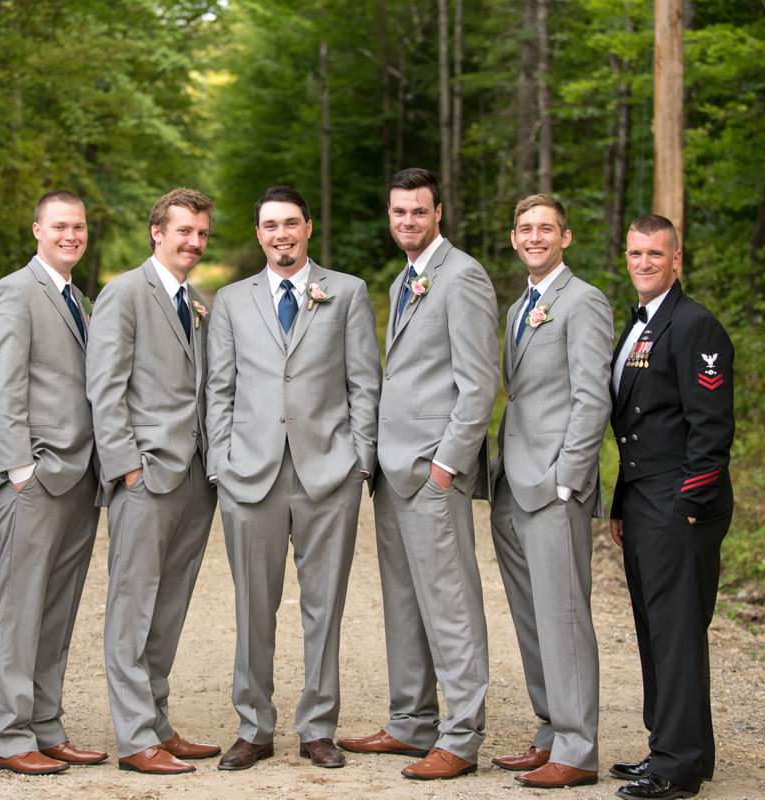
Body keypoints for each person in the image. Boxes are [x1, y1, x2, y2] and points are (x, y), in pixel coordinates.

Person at [205, 185, 380, 771]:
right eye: (270, 226)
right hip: (249, 476)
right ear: (259, 234)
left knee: (323, 607)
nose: (281, 234)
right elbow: (219, 390)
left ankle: (318, 727)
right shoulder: (231, 300)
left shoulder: (347, 293)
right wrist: (220, 466)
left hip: (328, 475)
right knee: (254, 606)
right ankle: (253, 726)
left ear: (309, 227)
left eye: (290, 224)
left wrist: (361, 460)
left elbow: (364, 384)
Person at [338, 167, 498, 781]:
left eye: (419, 212)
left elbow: (479, 381)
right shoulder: (406, 278)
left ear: (439, 215)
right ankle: (410, 723)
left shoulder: (463, 276)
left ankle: (461, 735)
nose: (408, 221)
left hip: (432, 471)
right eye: (398, 212)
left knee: (450, 604)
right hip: (392, 470)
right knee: (404, 603)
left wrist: (446, 464)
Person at [86, 188, 221, 774]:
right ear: (156, 232)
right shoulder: (123, 295)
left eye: (202, 234)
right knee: (133, 607)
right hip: (145, 477)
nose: (193, 242)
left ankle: (158, 721)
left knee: (169, 606)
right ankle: (135, 736)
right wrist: (128, 467)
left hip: (194, 478)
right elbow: (105, 387)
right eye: (184, 231)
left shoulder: (196, 301)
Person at [0, 190, 106, 775]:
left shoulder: (79, 298)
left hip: (79, 480)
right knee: (18, 609)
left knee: (57, 609)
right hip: (36, 478)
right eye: (59, 226)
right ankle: (6, 735)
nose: (70, 235)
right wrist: (19, 470)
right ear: (36, 230)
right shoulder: (14, 291)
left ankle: (45, 724)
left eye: (78, 226)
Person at [607, 214, 735, 800]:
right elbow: (636, 429)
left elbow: (710, 428)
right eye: (635, 253)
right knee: (655, 629)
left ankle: (677, 768)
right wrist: (619, 503)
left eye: (655, 254)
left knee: (677, 632)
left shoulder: (695, 326)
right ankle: (672, 748)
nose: (644, 262)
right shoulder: (639, 327)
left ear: (676, 259)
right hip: (643, 501)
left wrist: (691, 504)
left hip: (679, 504)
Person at [488, 195, 612, 789]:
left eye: (546, 229)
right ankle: (551, 731)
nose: (535, 237)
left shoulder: (583, 301)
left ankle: (579, 748)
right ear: (514, 240)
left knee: (563, 615)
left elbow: (593, 396)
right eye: (525, 229)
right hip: (513, 482)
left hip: (553, 485)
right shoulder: (519, 306)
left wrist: (569, 477)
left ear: (566, 237)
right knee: (532, 615)